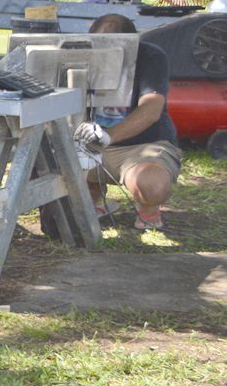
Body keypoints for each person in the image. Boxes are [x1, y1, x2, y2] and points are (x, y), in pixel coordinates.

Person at [73, 14, 182, 230]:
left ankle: (149, 209)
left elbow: (151, 108)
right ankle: (93, 197)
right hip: (89, 145)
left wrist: (110, 135)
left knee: (151, 186)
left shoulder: (150, 56)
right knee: (62, 200)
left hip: (141, 146)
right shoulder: (78, 54)